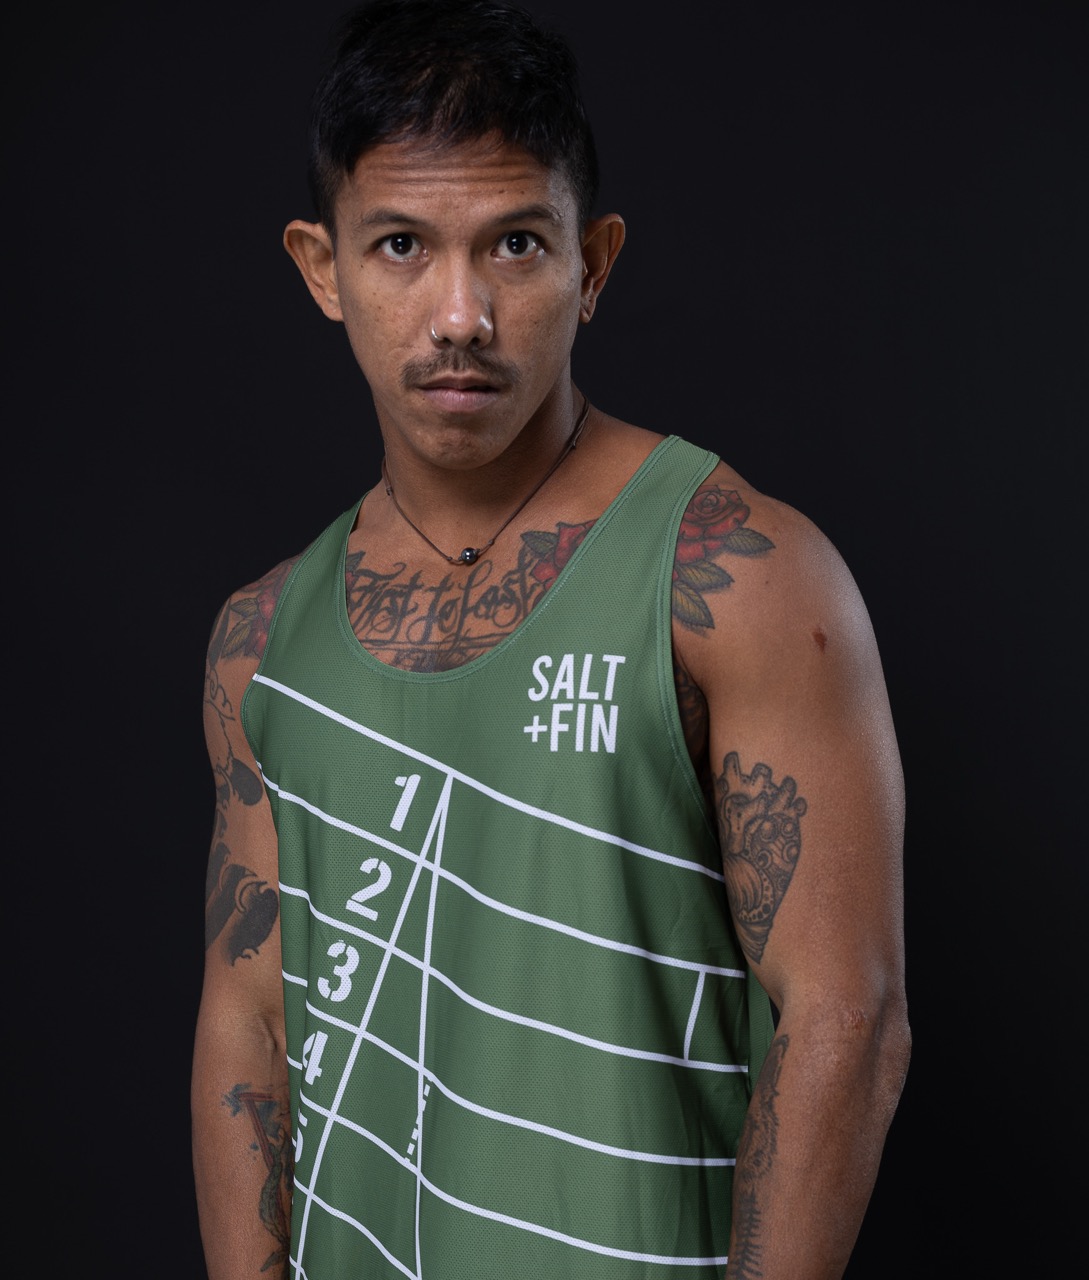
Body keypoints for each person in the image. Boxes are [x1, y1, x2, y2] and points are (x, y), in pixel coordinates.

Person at [191, 1, 911, 1276]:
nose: (460, 314)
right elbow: (250, 1019)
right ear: (322, 266)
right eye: (401, 245)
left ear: (594, 263)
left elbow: (846, 1017)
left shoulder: (740, 574)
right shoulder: (262, 638)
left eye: (516, 243)